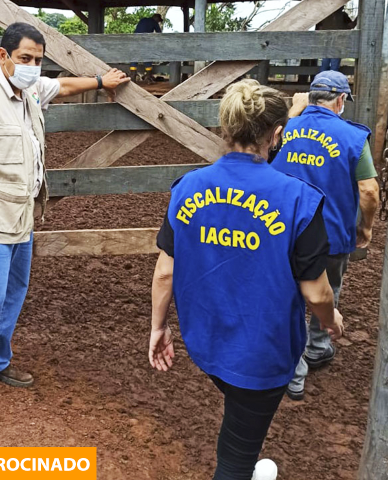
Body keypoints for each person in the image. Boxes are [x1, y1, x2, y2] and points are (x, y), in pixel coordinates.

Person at [0, 22, 130, 415]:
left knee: (13, 293)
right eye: (25, 58)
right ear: (3, 56)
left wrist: (101, 80)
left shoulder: (29, 88)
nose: (32, 66)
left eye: (37, 60)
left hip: (20, 217)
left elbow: (64, 87)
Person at [149, 79, 344, 480]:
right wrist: (330, 320)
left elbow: (166, 270)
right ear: (276, 134)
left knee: (239, 422)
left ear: (226, 129)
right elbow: (316, 290)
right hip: (262, 352)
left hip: (207, 339)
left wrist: (158, 326)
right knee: (235, 454)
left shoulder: (188, 187)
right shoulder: (298, 199)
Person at [271, 71, 379, 401]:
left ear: (309, 97)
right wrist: (366, 226)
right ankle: (316, 348)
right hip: (330, 234)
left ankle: (293, 367)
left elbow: (263, 158)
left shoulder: (284, 130)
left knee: (289, 295)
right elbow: (369, 190)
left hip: (284, 230)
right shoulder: (352, 137)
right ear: (341, 100)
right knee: (327, 289)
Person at [316, 7, 357, 72]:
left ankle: (323, 80)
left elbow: (318, 29)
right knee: (332, 65)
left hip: (330, 43)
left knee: (326, 64)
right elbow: (350, 26)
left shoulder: (324, 15)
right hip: (335, 43)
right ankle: (330, 80)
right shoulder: (341, 15)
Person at [129, 13, 163, 83]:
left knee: (134, 57)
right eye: (159, 21)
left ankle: (133, 76)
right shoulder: (154, 22)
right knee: (147, 58)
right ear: (156, 18)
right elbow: (159, 33)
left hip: (135, 40)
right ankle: (148, 77)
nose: (158, 22)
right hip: (144, 41)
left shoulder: (143, 20)